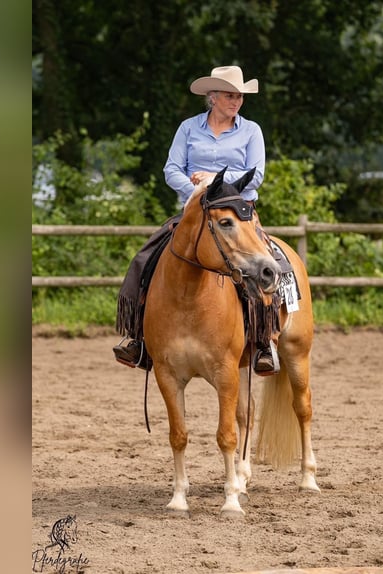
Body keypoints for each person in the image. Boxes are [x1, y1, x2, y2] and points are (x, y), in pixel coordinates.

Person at [113, 65, 276, 374]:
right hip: (193, 211)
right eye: (230, 95)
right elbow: (171, 168)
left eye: (240, 96)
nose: (236, 101)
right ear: (212, 97)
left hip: (237, 214)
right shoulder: (188, 128)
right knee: (145, 259)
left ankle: (265, 340)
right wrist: (196, 190)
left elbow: (257, 174)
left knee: (268, 264)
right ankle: (140, 338)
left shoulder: (251, 130)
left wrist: (215, 179)